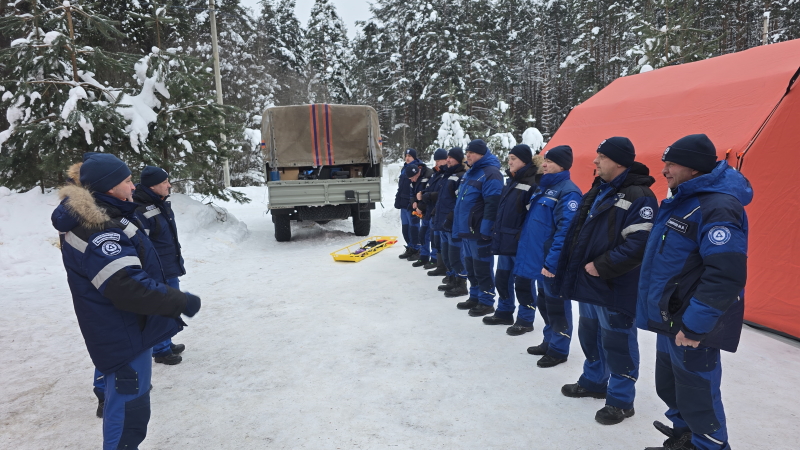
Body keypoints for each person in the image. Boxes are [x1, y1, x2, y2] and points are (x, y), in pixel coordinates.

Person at [51, 153, 201, 450]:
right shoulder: (98, 229)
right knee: (128, 412)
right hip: (121, 334)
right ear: (108, 187)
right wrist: (178, 300)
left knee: (133, 408)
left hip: (130, 329)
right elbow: (126, 285)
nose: (134, 186)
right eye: (128, 181)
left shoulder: (110, 215)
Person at [637, 134, 750, 450]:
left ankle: (709, 445)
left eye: (671, 163)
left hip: (692, 324)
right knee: (672, 386)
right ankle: (686, 438)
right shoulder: (681, 201)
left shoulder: (718, 207)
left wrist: (696, 324)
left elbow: (725, 275)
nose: (664, 171)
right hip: (671, 318)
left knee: (698, 393)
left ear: (694, 168)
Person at [552, 137, 658, 425]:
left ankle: (622, 400)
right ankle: (594, 381)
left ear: (619, 161)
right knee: (590, 334)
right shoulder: (600, 189)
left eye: (601, 156)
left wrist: (602, 265)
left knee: (617, 341)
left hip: (614, 284)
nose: (595, 161)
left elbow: (640, 243)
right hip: (589, 282)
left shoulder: (640, 195)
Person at [512, 146, 582, 371]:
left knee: (557, 304)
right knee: (544, 301)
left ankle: (560, 348)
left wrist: (553, 262)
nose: (544, 164)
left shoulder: (568, 192)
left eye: (549, 162)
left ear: (562, 166)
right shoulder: (544, 187)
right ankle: (549, 340)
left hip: (551, 262)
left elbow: (565, 231)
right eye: (545, 161)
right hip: (538, 259)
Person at [133, 166, 187, 365]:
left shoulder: (160, 203)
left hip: (169, 265)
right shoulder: (142, 208)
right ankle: (161, 349)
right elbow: (142, 243)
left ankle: (167, 341)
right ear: (153, 186)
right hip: (157, 269)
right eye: (165, 182)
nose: (169, 185)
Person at [482, 145, 540, 328]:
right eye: (509, 158)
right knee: (502, 278)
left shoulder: (533, 182)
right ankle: (504, 311)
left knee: (523, 283)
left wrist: (522, 237)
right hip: (506, 239)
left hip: (520, 243)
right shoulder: (511, 181)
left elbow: (533, 217)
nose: (510, 161)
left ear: (524, 160)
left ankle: (526, 318)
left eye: (514, 158)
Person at [451, 139, 503, 316]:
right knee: (471, 266)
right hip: (467, 230)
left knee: (482, 268)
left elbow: (492, 205)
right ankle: (474, 297)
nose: (467, 156)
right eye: (466, 153)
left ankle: (487, 301)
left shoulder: (491, 173)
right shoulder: (471, 173)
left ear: (481, 154)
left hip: (479, 232)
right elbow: (462, 202)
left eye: (471, 153)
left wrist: (486, 230)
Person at [434, 148, 469, 297]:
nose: (448, 160)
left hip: (452, 223)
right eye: (447, 157)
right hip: (443, 222)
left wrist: (451, 217)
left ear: (459, 159)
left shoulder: (460, 176)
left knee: (456, 255)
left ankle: (461, 283)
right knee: (448, 255)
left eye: (451, 158)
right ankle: (452, 278)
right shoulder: (448, 175)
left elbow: (459, 202)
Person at [417, 148, 450, 272]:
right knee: (434, 238)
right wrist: (424, 194)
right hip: (431, 211)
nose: (437, 163)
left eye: (439, 161)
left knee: (441, 241)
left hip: (440, 211)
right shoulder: (435, 174)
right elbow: (430, 188)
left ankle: (441, 264)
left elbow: (441, 193)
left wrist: (426, 196)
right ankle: (439, 264)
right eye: (436, 161)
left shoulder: (445, 175)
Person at [408, 159, 435, 266]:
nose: (413, 181)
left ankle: (434, 258)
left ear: (417, 173)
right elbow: (412, 193)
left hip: (430, 209)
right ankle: (424, 256)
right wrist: (413, 201)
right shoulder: (413, 180)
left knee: (432, 236)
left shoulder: (429, 175)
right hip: (422, 211)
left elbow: (428, 194)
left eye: (413, 178)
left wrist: (420, 206)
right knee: (423, 234)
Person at [396, 149, 422, 259]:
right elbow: (401, 186)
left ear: (414, 157)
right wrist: (398, 200)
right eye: (406, 155)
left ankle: (417, 249)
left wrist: (417, 202)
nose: (407, 158)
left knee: (414, 227)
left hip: (411, 203)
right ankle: (410, 247)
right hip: (403, 203)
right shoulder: (404, 168)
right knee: (405, 228)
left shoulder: (417, 168)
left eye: (410, 156)